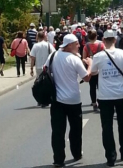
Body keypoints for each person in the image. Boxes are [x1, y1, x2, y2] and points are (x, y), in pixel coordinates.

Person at [91, 30, 123, 166]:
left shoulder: (98, 56)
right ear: (114, 40)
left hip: (104, 96)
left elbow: (93, 72)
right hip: (121, 94)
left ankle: (110, 156)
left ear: (103, 41)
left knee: (107, 127)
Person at [46, 34, 93, 168]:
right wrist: (90, 65)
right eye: (77, 44)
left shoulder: (53, 56)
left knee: (57, 131)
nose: (79, 46)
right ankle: (76, 153)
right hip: (73, 100)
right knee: (76, 129)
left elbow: (45, 69)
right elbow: (87, 78)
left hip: (56, 100)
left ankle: (58, 159)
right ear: (70, 45)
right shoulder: (74, 59)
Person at [82, 30, 104, 112]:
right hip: (100, 68)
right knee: (100, 87)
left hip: (91, 69)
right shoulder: (101, 45)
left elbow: (83, 58)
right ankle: (101, 101)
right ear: (96, 36)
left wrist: (87, 61)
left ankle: (94, 103)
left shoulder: (86, 46)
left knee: (92, 87)